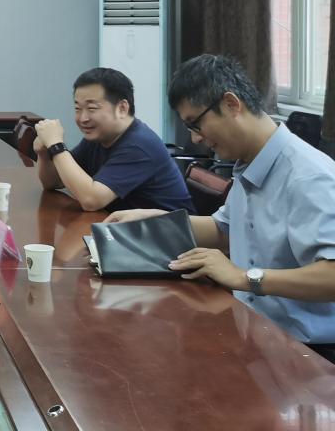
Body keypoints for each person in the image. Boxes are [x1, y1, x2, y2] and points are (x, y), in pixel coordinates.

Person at [107, 54, 335, 359]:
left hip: (308, 356)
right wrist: (156, 222)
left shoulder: (308, 176)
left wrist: (244, 277)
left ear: (231, 104)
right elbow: (224, 229)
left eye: (196, 124)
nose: (196, 138)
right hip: (255, 335)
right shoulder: (250, 162)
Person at [34, 67, 193, 213]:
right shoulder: (99, 136)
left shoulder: (139, 145)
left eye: (92, 108)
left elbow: (91, 200)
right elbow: (54, 182)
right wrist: (44, 153)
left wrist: (57, 146)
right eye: (78, 109)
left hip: (167, 232)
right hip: (126, 228)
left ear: (122, 108)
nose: (83, 118)